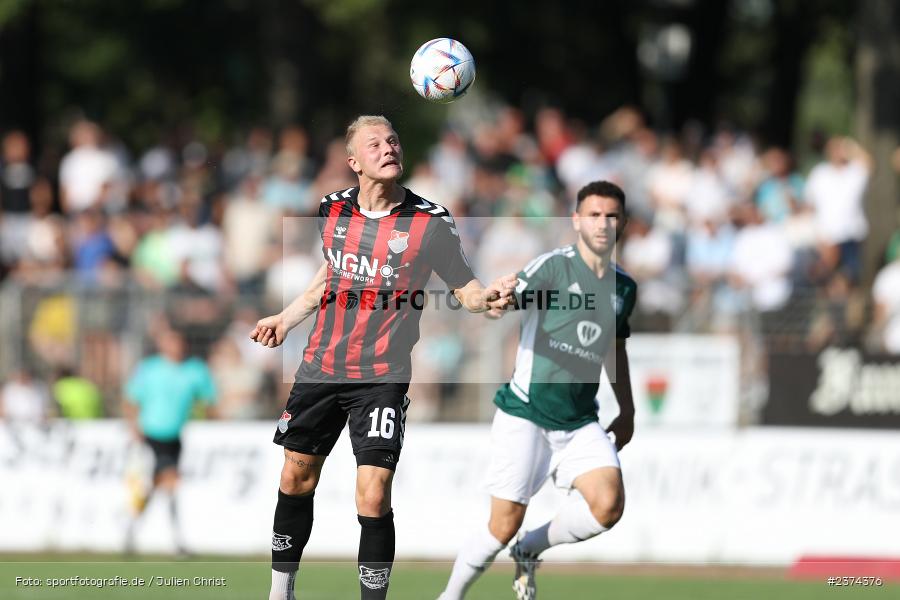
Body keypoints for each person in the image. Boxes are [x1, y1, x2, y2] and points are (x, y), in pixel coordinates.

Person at [250, 115, 515, 600]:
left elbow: (467, 288)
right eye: (374, 143)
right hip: (320, 368)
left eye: (393, 139)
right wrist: (286, 319)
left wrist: (490, 298)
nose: (388, 147)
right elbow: (330, 274)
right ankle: (280, 591)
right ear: (353, 162)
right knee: (295, 477)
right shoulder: (332, 209)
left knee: (373, 495)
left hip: (381, 377)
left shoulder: (428, 222)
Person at [438, 180, 637, 600]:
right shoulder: (553, 267)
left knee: (608, 506)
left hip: (580, 419)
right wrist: (495, 300)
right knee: (501, 526)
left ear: (623, 223)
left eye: (611, 215)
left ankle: (531, 548)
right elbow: (503, 305)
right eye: (594, 215)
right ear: (576, 220)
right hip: (526, 413)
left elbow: (614, 350)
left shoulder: (624, 288)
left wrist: (629, 410)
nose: (603, 224)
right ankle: (450, 596)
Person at [122, 327, 218, 554]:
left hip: (174, 437)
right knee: (169, 484)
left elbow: (209, 400)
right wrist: (133, 426)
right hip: (151, 435)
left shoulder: (194, 370)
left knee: (156, 487)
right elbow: (131, 399)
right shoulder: (149, 368)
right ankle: (177, 543)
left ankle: (132, 532)